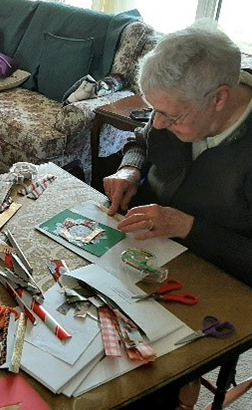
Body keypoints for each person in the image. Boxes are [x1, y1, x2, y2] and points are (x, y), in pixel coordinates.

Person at [103, 22, 252, 288]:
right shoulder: (180, 101)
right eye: (153, 110)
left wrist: (187, 227)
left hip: (214, 276)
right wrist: (131, 168)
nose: (158, 123)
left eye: (171, 116)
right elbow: (143, 138)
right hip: (146, 249)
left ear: (219, 99)